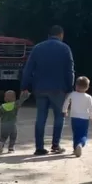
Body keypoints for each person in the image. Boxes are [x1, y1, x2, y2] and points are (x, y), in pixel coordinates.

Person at [20, 25, 75, 155]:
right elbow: (69, 70)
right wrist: (70, 88)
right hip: (59, 88)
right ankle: (55, 145)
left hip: (40, 88)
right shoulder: (65, 48)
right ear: (61, 35)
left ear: (49, 35)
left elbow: (28, 69)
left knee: (41, 117)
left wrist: (25, 86)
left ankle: (39, 147)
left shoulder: (37, 48)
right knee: (59, 116)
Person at [63, 76, 92, 157]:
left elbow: (66, 102)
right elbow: (91, 108)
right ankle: (80, 144)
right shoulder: (88, 97)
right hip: (84, 119)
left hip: (74, 117)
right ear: (87, 87)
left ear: (76, 86)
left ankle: (75, 148)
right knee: (83, 134)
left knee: (76, 133)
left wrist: (64, 110)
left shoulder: (72, 94)